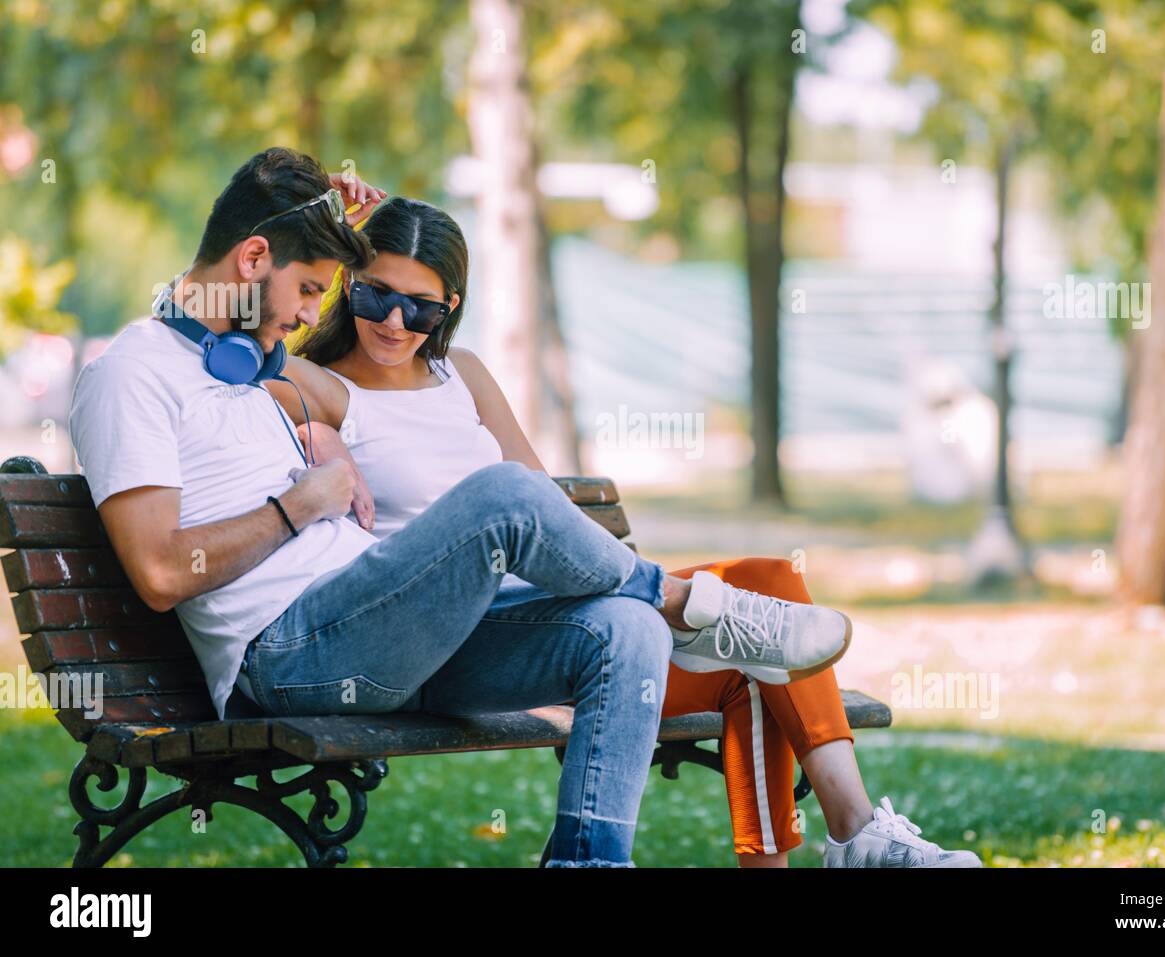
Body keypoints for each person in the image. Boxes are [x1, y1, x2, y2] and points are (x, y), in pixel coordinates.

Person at [67, 147, 850, 868]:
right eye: (311, 290)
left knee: (624, 629)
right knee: (508, 494)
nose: (311, 316)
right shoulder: (133, 374)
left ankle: (591, 857)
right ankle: (694, 603)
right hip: (289, 655)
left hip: (384, 636)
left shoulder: (238, 359)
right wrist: (299, 505)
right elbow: (163, 571)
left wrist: (332, 207)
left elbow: (240, 250)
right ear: (252, 260)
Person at [266, 191, 983, 868]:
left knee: (769, 593)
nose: (393, 322)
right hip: (440, 640)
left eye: (418, 306)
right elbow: (195, 335)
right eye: (374, 295)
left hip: (540, 616)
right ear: (343, 285)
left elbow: (544, 510)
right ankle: (692, 611)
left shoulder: (465, 375)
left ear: (450, 307)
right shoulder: (317, 382)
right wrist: (309, 222)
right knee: (748, 623)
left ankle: (854, 826)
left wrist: (607, 589)